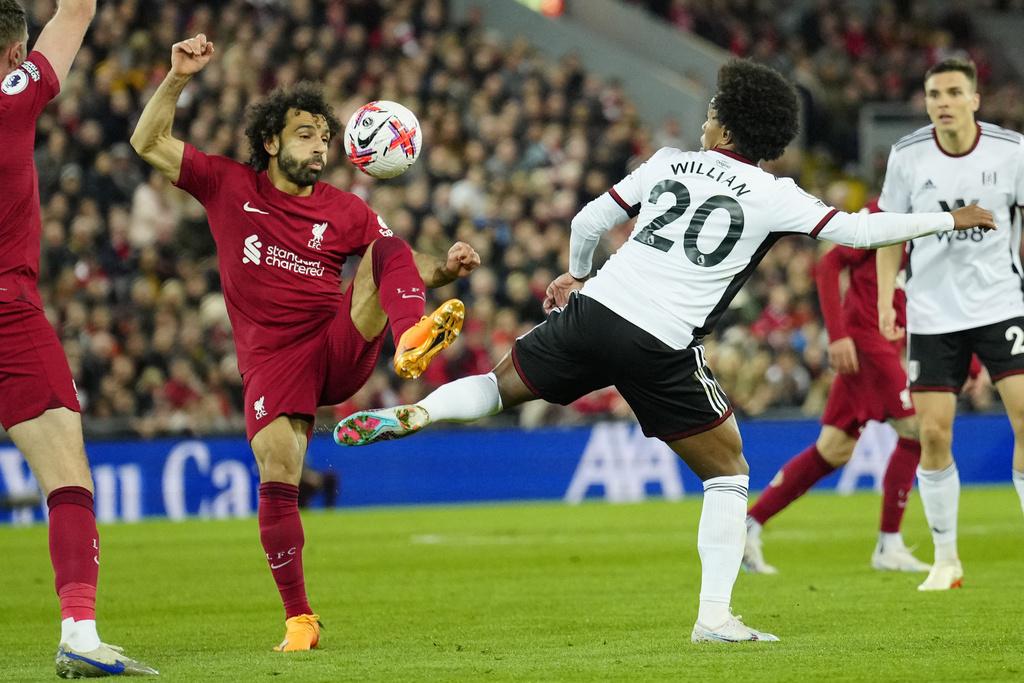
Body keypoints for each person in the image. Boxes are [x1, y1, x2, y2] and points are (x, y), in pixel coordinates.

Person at [333, 59, 995, 643]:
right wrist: (949, 217)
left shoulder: (669, 162)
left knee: (496, 386)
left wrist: (576, 274)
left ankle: (420, 411)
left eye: (712, 111)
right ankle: (715, 617)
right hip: (661, 339)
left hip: (596, 309)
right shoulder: (775, 195)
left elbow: (587, 220)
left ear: (728, 128)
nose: (705, 119)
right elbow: (859, 230)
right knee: (729, 471)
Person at [130, 34, 480, 651]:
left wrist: (446, 269)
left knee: (385, 247)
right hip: (272, 362)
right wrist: (178, 77)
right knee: (279, 469)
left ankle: (411, 338)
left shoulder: (345, 209)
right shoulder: (227, 185)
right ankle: (300, 620)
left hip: (335, 346)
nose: (320, 146)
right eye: (305, 135)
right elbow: (148, 142)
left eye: (324, 137)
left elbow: (403, 263)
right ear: (271, 142)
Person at [0, 1, 157, 676]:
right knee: (66, 474)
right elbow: (80, 8)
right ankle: (79, 632)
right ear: (14, 55)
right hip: (7, 313)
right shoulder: (13, 96)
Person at [876, 57, 1024, 591]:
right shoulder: (907, 155)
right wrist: (887, 299)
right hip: (932, 311)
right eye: (934, 93)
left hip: (1000, 302)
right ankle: (946, 560)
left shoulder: (1012, 151)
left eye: (954, 92)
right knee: (934, 433)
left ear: (975, 99)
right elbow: (889, 231)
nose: (943, 102)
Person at [743, 202, 929, 575]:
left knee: (833, 449)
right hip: (867, 344)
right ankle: (889, 544)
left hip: (884, 345)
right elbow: (828, 264)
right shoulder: (882, 212)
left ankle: (749, 525)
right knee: (915, 431)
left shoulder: (930, 217)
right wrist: (838, 335)